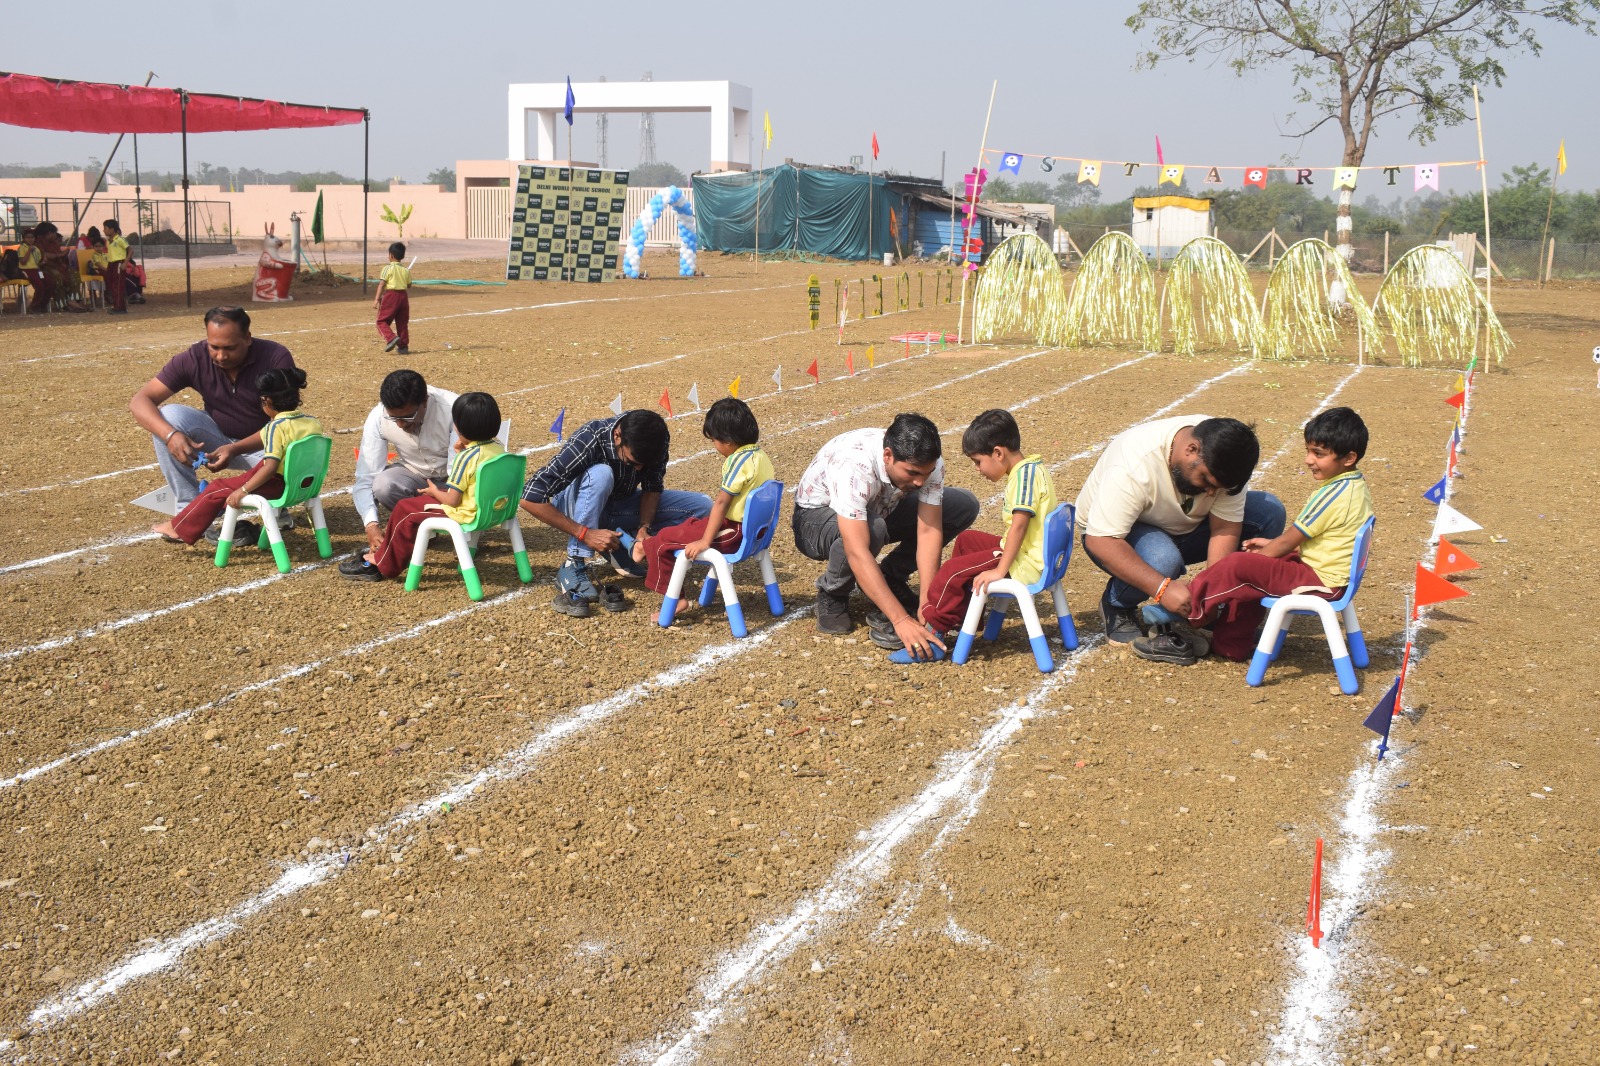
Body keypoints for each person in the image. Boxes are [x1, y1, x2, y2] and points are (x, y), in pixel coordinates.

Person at [1141, 408, 1375, 664]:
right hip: (1328, 575)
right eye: (1308, 450)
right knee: (1253, 580)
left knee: (1239, 564)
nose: (1309, 460)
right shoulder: (1355, 487)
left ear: (1349, 457)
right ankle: (1230, 645)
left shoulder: (1332, 494)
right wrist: (1271, 549)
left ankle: (1189, 608)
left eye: (1318, 454)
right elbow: (1334, 541)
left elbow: (1289, 540)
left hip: (1322, 581)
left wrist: (1262, 556)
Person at [1076, 415, 1286, 663]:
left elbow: (1224, 528)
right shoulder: (1133, 465)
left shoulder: (1227, 457)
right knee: (1163, 560)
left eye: (1218, 488)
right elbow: (1100, 540)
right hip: (1119, 533)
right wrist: (1162, 588)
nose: (1210, 492)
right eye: (1206, 481)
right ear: (1191, 450)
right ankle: (1117, 604)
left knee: (1269, 512)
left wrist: (1213, 594)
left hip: (1186, 527)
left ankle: (1227, 614)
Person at [791, 412, 981, 658]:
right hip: (815, 520)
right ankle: (833, 592)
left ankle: (891, 576)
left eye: (927, 473)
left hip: (880, 507)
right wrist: (900, 619)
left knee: (962, 505)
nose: (921, 482)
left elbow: (928, 530)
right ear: (888, 455)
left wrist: (927, 603)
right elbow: (856, 550)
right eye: (912, 473)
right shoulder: (854, 465)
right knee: (872, 529)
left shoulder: (926, 463)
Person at [889, 409, 1056, 663]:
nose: (978, 470)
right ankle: (965, 615)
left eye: (978, 462)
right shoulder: (1031, 468)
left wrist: (1000, 569)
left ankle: (933, 635)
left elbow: (1020, 527)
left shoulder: (1024, 479)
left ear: (998, 453)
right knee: (967, 541)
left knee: (952, 571)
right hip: (1031, 554)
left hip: (1025, 563)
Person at [520, 409, 712, 616]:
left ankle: (627, 546)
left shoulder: (656, 437)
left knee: (703, 506)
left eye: (644, 465)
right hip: (575, 505)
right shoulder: (590, 439)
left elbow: (652, 486)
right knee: (601, 474)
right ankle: (574, 561)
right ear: (617, 436)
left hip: (620, 503)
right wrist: (585, 533)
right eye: (631, 463)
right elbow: (530, 497)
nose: (638, 470)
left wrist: (644, 527)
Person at [129, 306, 298, 507]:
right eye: (214, 347)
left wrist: (235, 449)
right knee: (167, 417)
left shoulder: (275, 357)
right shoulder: (195, 358)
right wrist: (170, 435)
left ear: (248, 338)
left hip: (266, 449)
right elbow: (140, 401)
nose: (220, 356)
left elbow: (284, 423)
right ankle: (189, 507)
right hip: (218, 439)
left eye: (230, 348)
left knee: (290, 462)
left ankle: (275, 506)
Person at [338, 393, 505, 582]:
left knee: (405, 510)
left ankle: (382, 562)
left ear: (458, 428)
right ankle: (410, 543)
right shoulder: (498, 448)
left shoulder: (466, 458)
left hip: (464, 511)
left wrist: (434, 491)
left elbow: (452, 499)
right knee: (413, 507)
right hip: (487, 508)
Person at [638, 397, 775, 621]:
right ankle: (644, 547)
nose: (715, 446)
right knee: (689, 525)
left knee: (664, 538)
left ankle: (673, 594)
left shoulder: (737, 461)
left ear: (728, 441)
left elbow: (721, 503)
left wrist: (704, 542)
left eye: (714, 440)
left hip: (734, 534)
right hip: (755, 533)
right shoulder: (760, 456)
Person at [151, 368, 322, 546]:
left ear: (266, 401)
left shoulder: (275, 427)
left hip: (276, 484)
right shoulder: (311, 423)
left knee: (216, 489)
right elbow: (261, 438)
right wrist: (233, 449)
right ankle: (212, 506)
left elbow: (270, 467)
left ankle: (179, 528)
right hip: (303, 484)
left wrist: (244, 491)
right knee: (220, 490)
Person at [351, 370, 460, 559]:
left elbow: (458, 470)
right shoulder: (379, 417)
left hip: (456, 481)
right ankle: (426, 528)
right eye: (394, 418)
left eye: (407, 417)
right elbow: (366, 476)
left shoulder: (453, 408)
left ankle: (439, 525)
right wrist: (371, 525)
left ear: (424, 402)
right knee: (384, 485)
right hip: (416, 475)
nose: (400, 424)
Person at [31, 222, 87, 313]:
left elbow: (60, 256)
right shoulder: (37, 242)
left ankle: (73, 301)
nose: (55, 236)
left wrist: (64, 255)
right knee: (57, 275)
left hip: (58, 266)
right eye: (54, 233)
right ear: (48, 233)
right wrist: (60, 255)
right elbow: (44, 255)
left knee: (74, 274)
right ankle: (62, 304)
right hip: (44, 267)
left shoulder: (53, 243)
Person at [374, 241, 411, 354]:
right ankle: (403, 346)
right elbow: (409, 285)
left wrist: (376, 299)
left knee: (381, 321)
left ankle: (391, 338)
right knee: (402, 322)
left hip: (391, 295)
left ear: (391, 255)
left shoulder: (387, 269)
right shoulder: (405, 271)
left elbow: (382, 284)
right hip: (403, 297)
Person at [103, 218, 130, 315]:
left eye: (105, 228)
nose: (104, 231)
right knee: (112, 285)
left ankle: (119, 307)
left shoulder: (119, 239)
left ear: (112, 229)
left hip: (119, 263)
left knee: (117, 285)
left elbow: (130, 250)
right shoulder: (108, 241)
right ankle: (118, 305)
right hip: (111, 263)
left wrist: (125, 263)